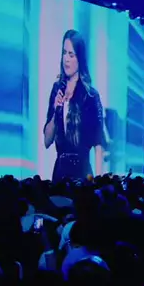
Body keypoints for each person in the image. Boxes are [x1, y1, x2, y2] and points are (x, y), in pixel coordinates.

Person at [43, 29, 105, 183]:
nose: (66, 59)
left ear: (80, 58)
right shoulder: (57, 89)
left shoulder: (91, 95)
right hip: (59, 173)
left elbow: (98, 145)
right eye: (64, 53)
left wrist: (97, 182)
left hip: (82, 173)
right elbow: (47, 141)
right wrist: (56, 109)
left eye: (71, 55)